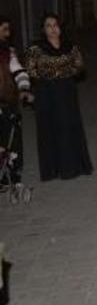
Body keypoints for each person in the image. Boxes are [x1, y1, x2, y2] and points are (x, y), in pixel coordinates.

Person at [25, 14, 92, 181]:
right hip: (46, 92)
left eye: (55, 25)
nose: (53, 29)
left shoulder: (69, 46)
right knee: (50, 128)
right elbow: (31, 70)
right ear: (43, 29)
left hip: (66, 91)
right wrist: (59, 72)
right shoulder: (36, 48)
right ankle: (52, 169)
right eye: (48, 25)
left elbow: (80, 66)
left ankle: (72, 167)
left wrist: (60, 72)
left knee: (69, 126)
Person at [0, 16, 32, 195]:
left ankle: (13, 177)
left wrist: (24, 88)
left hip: (8, 103)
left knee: (13, 141)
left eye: (8, 29)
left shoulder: (8, 52)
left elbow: (19, 71)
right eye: (4, 29)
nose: (8, 33)